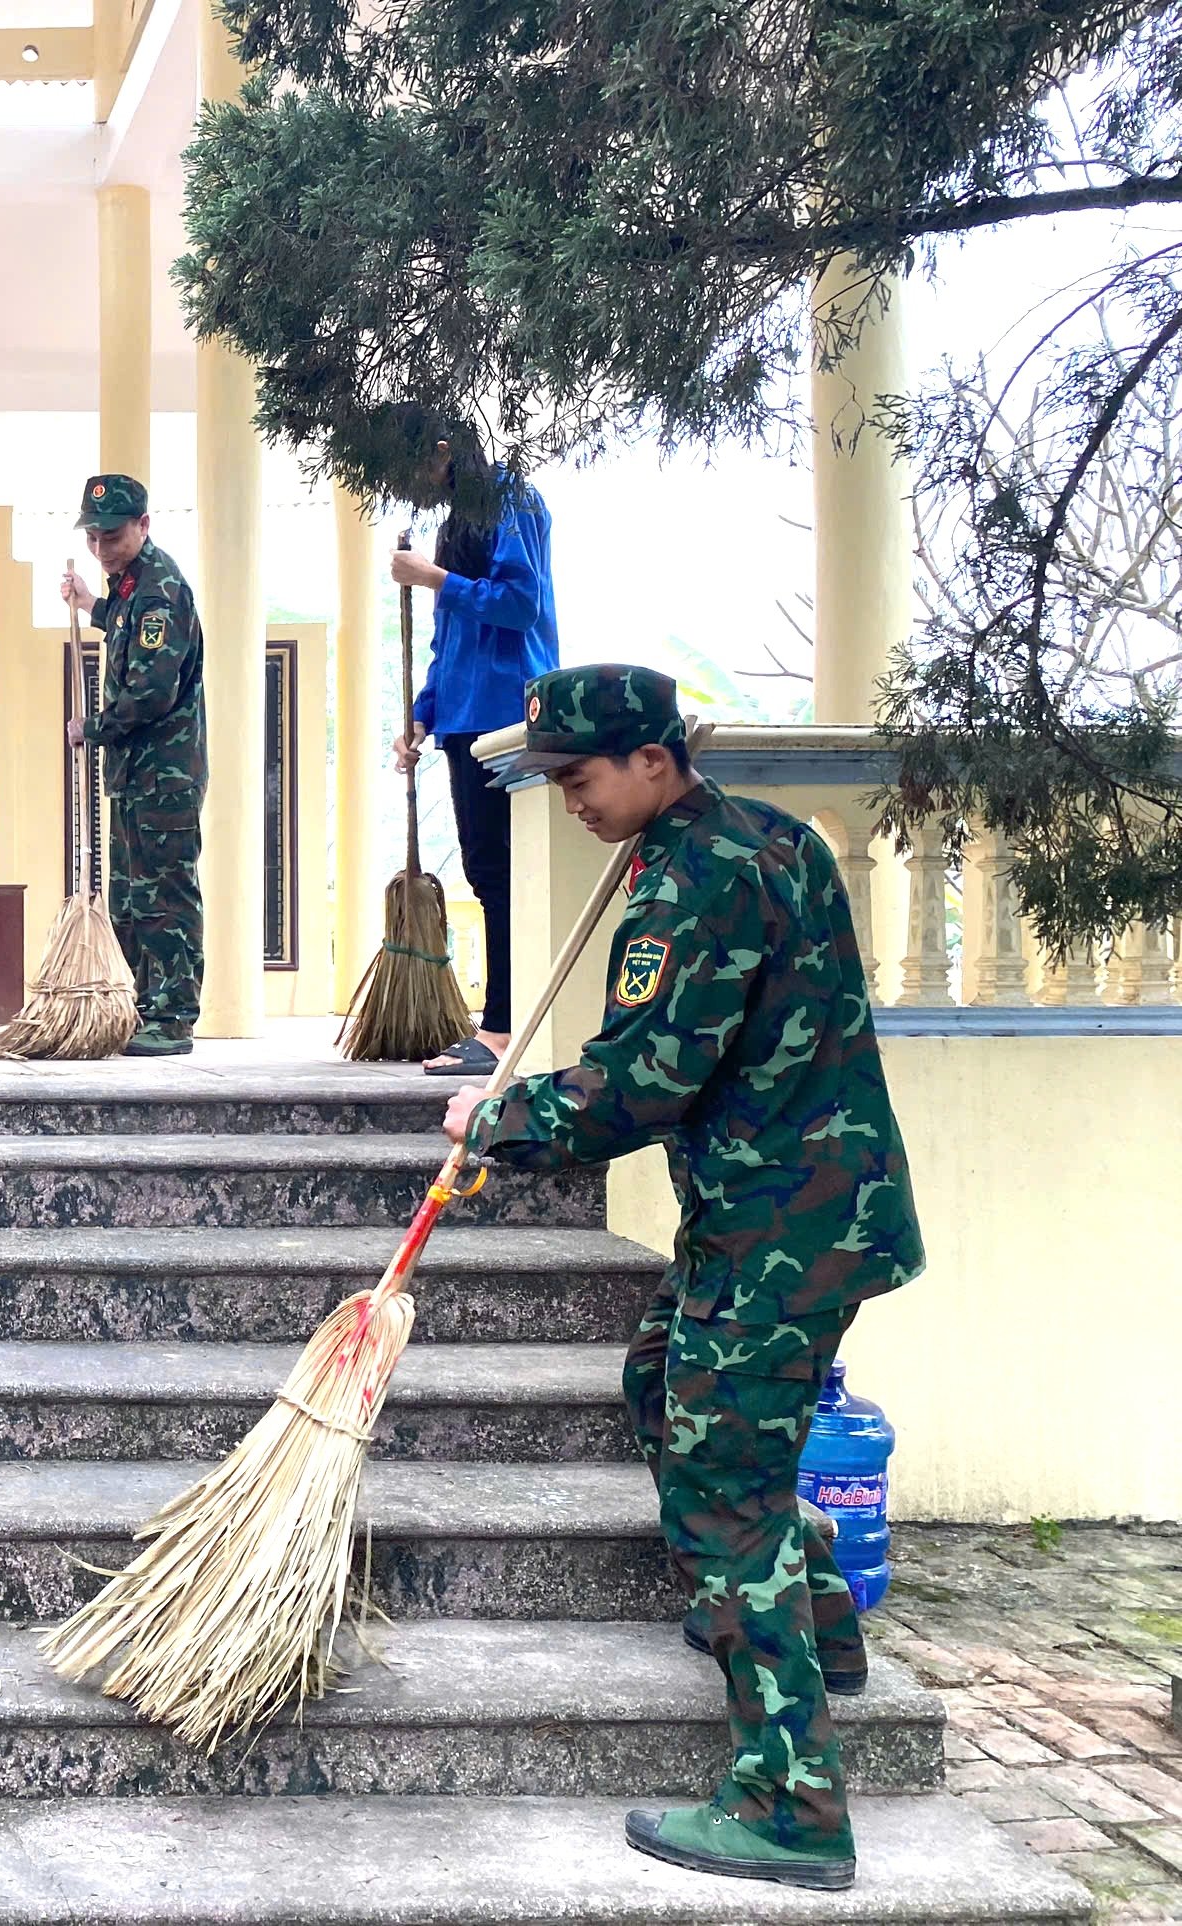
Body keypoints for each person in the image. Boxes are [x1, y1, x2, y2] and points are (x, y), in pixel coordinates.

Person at [441, 664, 922, 1894]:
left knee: (724, 1486)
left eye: (582, 777)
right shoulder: (773, 841)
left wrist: (497, 1117)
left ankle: (789, 1803)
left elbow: (642, 1085)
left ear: (655, 760)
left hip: (779, 1225)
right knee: (660, 1377)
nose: (569, 804)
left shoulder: (694, 883)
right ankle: (819, 1623)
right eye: (553, 782)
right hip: (813, 1208)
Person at [391, 413, 559, 1076]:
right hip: (462, 717)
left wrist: (434, 579)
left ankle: (502, 1029)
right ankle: (500, 1022)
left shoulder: (512, 500)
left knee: (506, 874)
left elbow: (521, 604)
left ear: (442, 451)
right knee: (487, 872)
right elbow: (448, 641)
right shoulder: (454, 523)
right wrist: (421, 717)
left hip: (508, 710)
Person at [59, 473, 206, 1057]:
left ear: (144, 526)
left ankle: (172, 1016)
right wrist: (89, 603)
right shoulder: (126, 587)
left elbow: (151, 690)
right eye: (93, 536)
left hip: (163, 772)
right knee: (130, 898)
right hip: (134, 772)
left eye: (112, 536)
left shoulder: (157, 591)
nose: (100, 547)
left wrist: (90, 728)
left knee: (164, 893)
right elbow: (123, 633)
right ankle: (146, 1004)